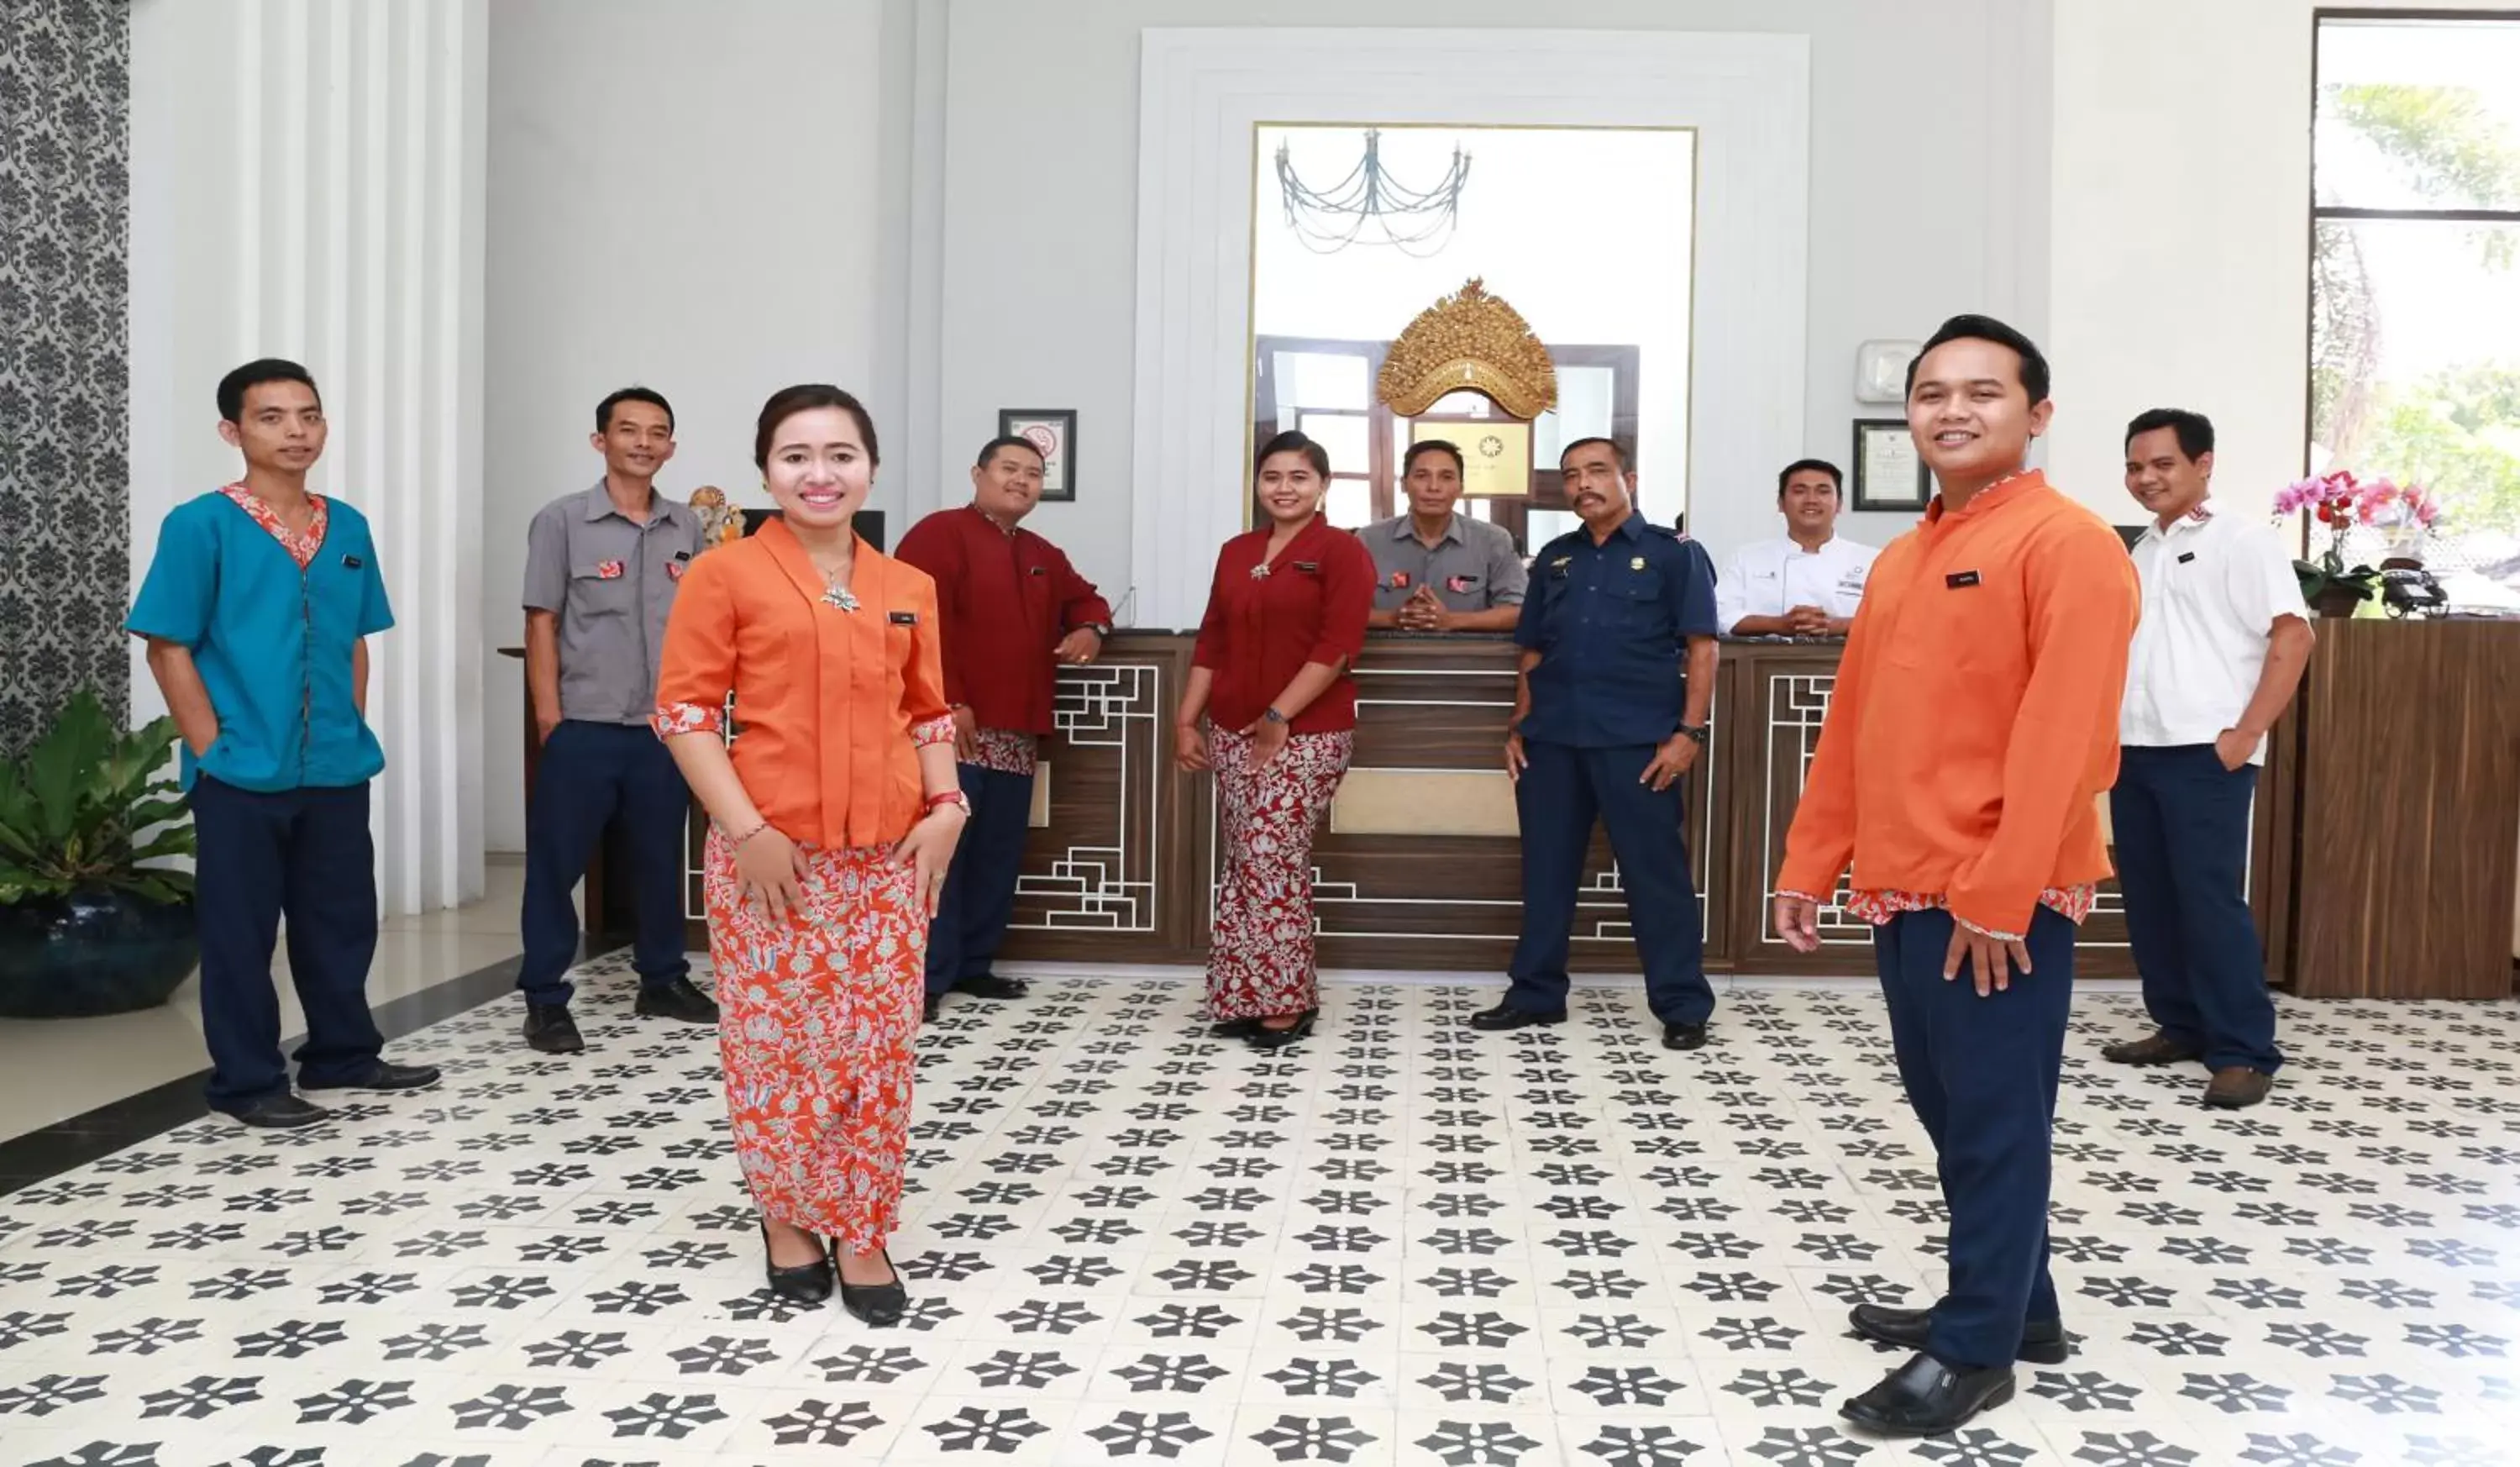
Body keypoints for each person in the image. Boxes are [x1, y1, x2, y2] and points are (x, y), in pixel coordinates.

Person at [1772, 315, 2139, 1436]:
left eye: (1983, 391)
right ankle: (2021, 1305)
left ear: (2036, 414)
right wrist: (1809, 857)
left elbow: (2065, 736)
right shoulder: (1904, 555)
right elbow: (1856, 724)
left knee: (1990, 1116)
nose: (1952, 409)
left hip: (1999, 896)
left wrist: (2000, 888)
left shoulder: (2068, 543)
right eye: (1932, 392)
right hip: (1907, 883)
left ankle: (1977, 1349)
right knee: (1958, 1106)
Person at [652, 385, 968, 1322]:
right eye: (796, 456)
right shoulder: (724, 575)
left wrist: (948, 802)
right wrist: (745, 832)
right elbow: (684, 713)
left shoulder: (908, 585)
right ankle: (786, 1217)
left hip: (887, 860)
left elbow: (927, 711)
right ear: (765, 472)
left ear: (871, 466)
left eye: (840, 454)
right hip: (770, 857)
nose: (819, 474)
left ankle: (861, 1224)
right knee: (777, 1050)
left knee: (876, 1053)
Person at [127, 359, 441, 1128]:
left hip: (335, 763)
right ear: (233, 431)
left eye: (308, 415)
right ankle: (248, 1082)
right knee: (240, 932)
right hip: (241, 769)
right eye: (272, 417)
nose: (296, 431)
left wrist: (349, 725)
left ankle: (343, 1053)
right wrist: (214, 746)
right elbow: (166, 645)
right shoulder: (200, 524)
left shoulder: (350, 526)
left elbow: (356, 641)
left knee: (342, 917)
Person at [1479, 437, 1720, 1050]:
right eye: (1570, 476)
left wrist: (1689, 734)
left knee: (1654, 874)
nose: (1583, 484)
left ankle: (1682, 1004)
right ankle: (1536, 994)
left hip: (1638, 742)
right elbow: (1532, 650)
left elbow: (1703, 647)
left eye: (1596, 471)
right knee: (1546, 870)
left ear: (1628, 478)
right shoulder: (1557, 559)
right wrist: (1518, 724)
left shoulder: (1675, 555)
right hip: (1552, 740)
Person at [2104, 408, 2311, 1108]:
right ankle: (2181, 1025)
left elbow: (2293, 638)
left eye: (2162, 464)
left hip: (2207, 751)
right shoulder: (2141, 549)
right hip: (2136, 747)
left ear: (2203, 463)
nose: (2146, 478)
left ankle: (2244, 1051)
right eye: (2136, 466)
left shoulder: (2243, 539)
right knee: (2152, 898)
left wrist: (2246, 733)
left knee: (2208, 901)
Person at [514, 387, 718, 1054]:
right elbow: (540, 621)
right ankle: (545, 999)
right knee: (556, 866)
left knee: (661, 861)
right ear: (600, 441)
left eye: (657, 433)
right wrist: (551, 716)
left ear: (671, 446)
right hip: (586, 725)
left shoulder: (686, 526)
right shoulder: (562, 521)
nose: (643, 443)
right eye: (628, 431)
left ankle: (661, 979)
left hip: (663, 731)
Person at [895, 435, 1113, 1023]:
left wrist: (1092, 629)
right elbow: (912, 623)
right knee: (945, 853)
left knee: (996, 851)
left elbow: (1088, 600)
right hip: (951, 729)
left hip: (1016, 732)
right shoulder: (939, 534)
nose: (1021, 480)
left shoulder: (1042, 550)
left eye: (1033, 473)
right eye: (1009, 469)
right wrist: (952, 699)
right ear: (978, 473)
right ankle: (926, 977)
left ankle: (972, 964)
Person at [1175, 429, 1373, 1049]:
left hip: (1306, 731)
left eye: (1298, 478)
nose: (1284, 489)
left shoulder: (1342, 551)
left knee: (1270, 857)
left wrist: (1279, 715)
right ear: (1257, 484)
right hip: (1232, 726)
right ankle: (1242, 996)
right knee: (1245, 863)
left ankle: (1287, 1000)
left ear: (1323, 486)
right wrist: (1186, 719)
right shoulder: (1237, 551)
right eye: (1272, 477)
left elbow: (1337, 647)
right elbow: (1212, 641)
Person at [1362, 439, 1528, 632]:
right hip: (1385, 658)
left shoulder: (1493, 540)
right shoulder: (1369, 540)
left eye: (1446, 477)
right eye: (1422, 476)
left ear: (1461, 487)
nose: (1433, 487)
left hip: (1467, 659)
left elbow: (1518, 612)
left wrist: (1451, 620)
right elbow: (1342, 611)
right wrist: (1393, 618)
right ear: (1404, 484)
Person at [1715, 458, 1879, 636]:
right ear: (1781, 503)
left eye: (1823, 491)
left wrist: (1836, 625)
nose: (1811, 500)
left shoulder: (1873, 560)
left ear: (1839, 504)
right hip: (1762, 661)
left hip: (1848, 661)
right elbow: (1723, 616)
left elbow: (1892, 618)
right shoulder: (1745, 558)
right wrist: (1779, 625)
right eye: (1799, 491)